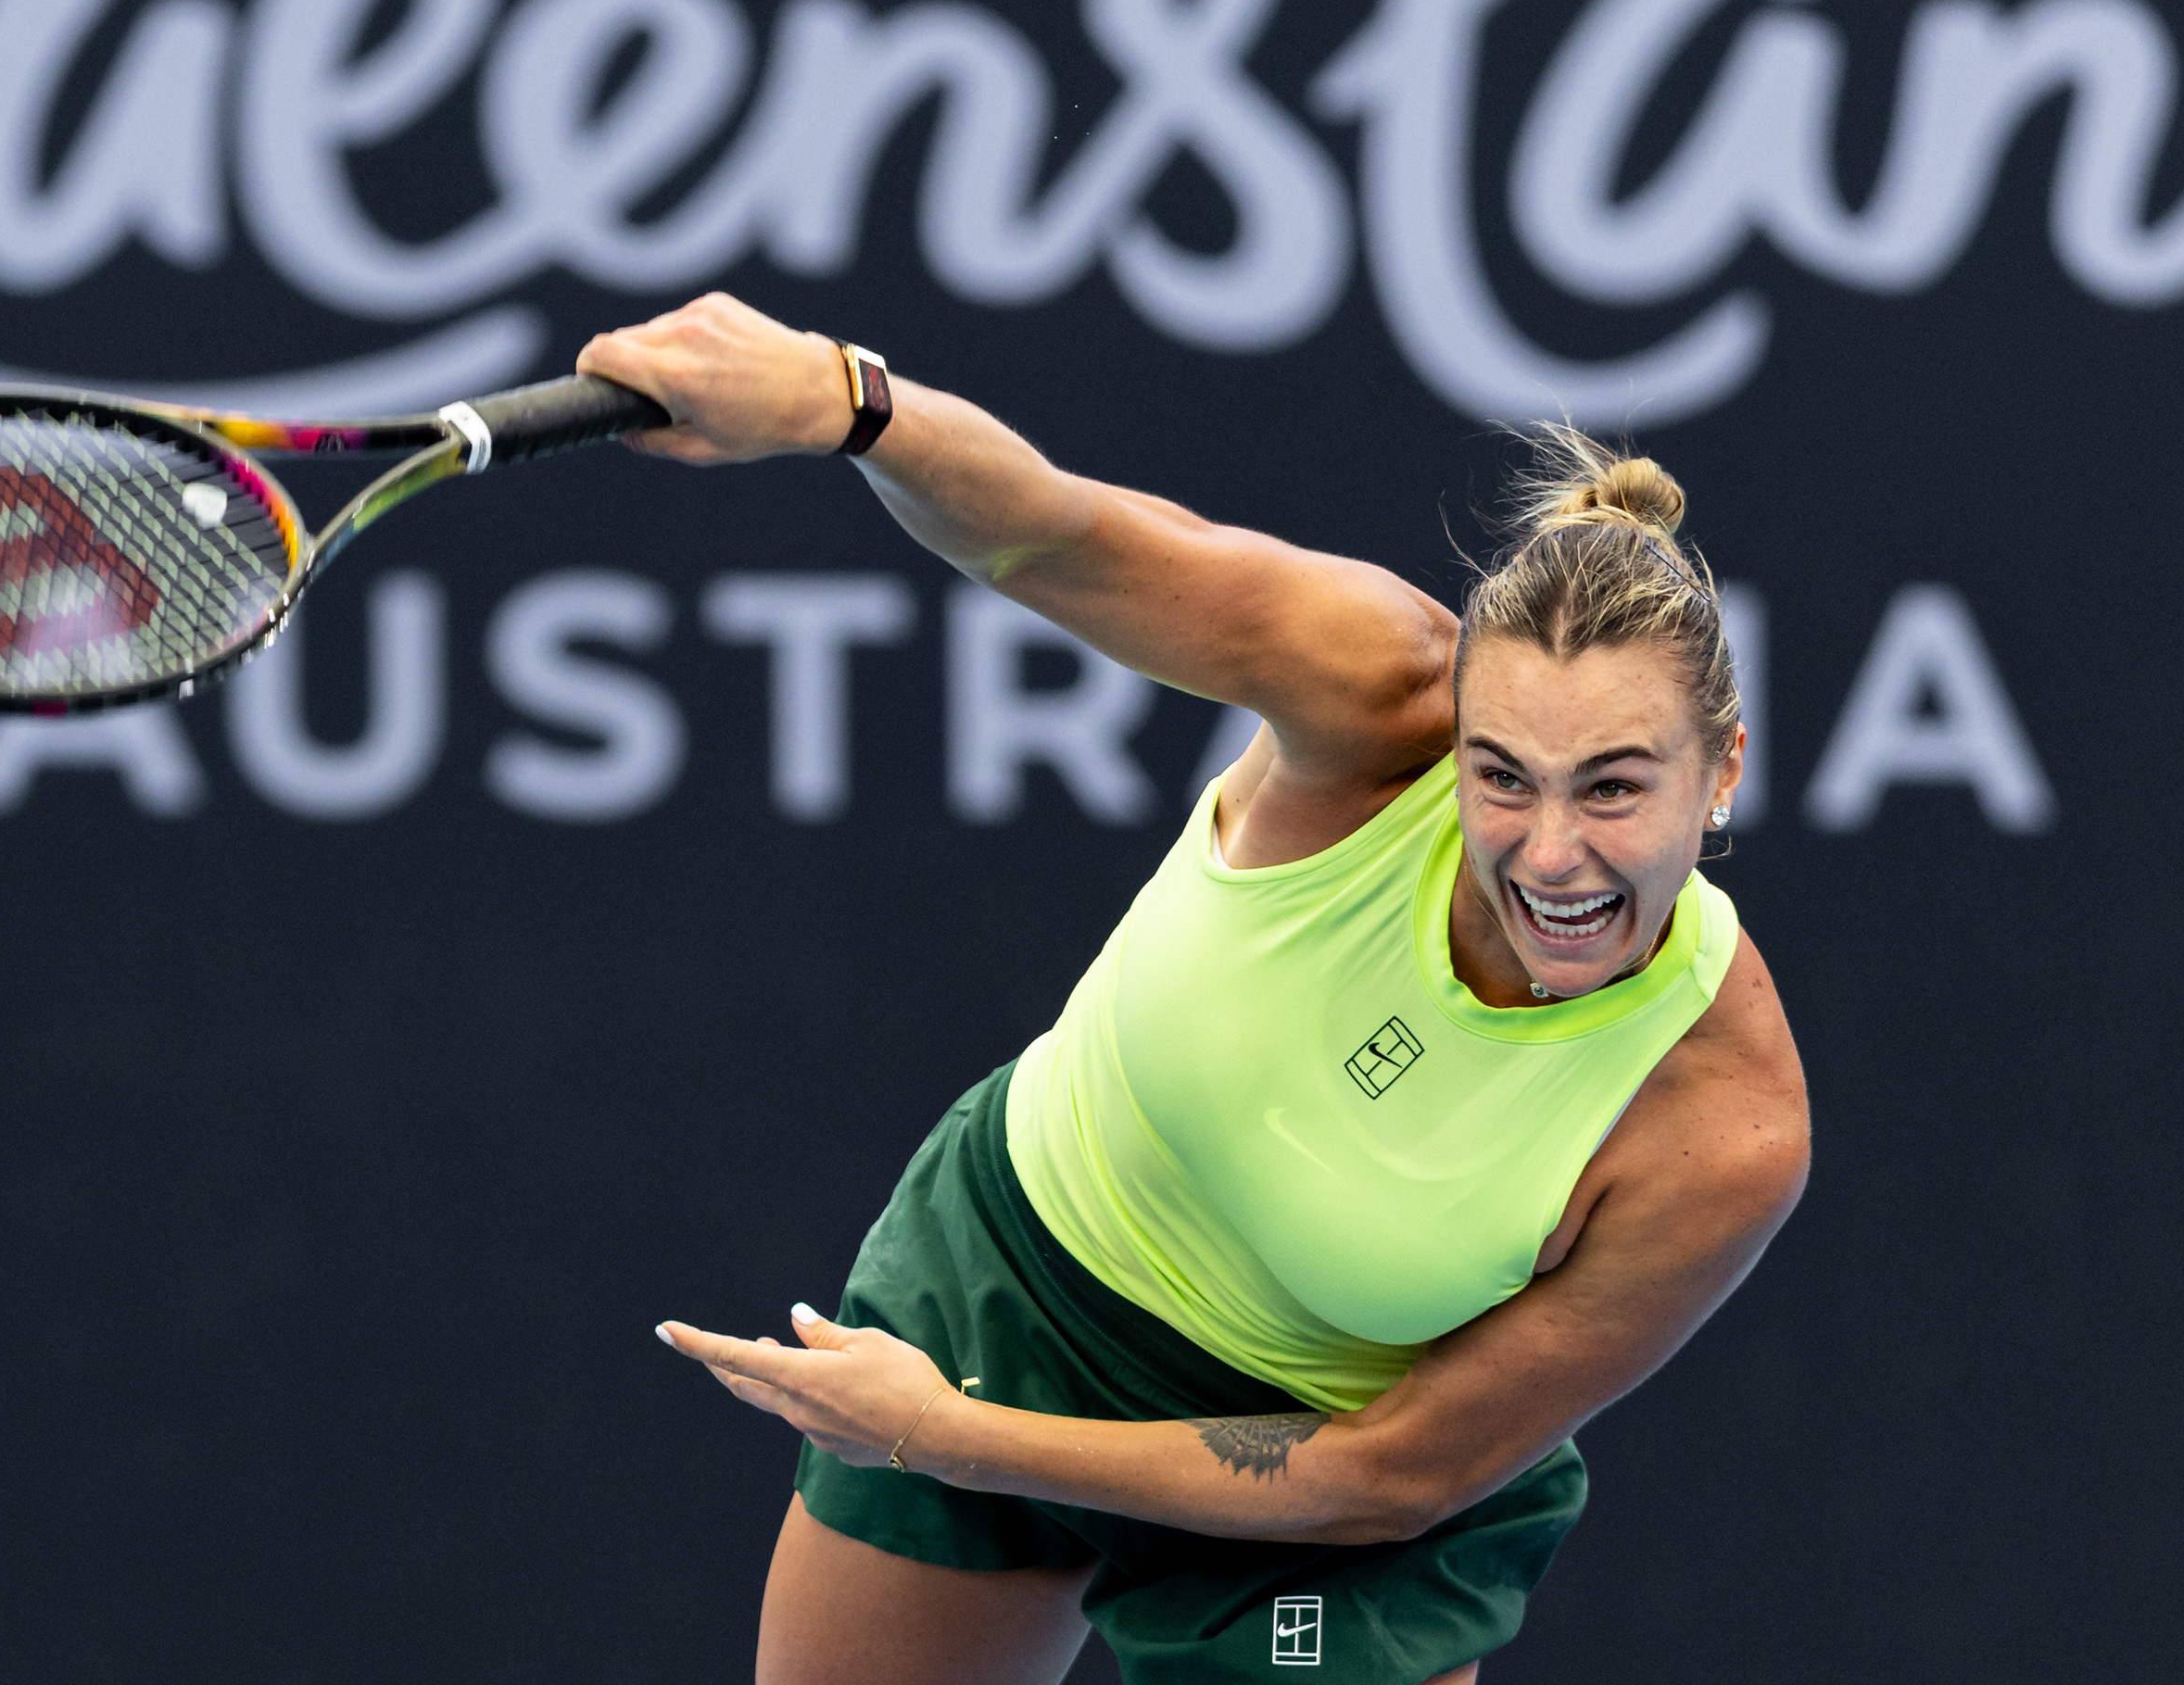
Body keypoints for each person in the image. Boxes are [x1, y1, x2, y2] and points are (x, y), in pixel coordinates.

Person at [587, 294, 1812, 1685]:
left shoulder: (1722, 1123)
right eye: (1502, 777)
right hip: (1017, 1287)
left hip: (1325, 1492)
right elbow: (1057, 535)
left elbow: (1388, 1474)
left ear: (1722, 769)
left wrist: (944, 1435)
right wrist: (843, 401)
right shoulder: (1374, 692)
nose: (1550, 852)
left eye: (1614, 789)